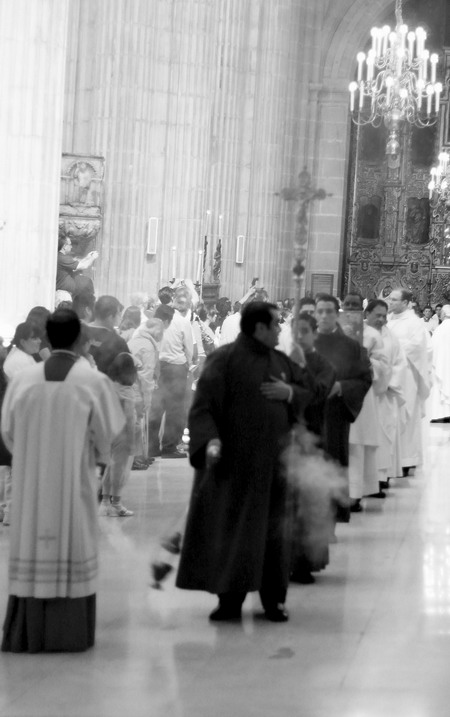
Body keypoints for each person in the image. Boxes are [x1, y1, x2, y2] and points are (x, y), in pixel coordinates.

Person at [176, 302, 313, 622]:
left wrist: (289, 392)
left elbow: (309, 391)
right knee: (233, 531)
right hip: (233, 465)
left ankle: (273, 601)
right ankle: (229, 600)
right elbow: (203, 406)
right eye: (276, 324)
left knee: (274, 533)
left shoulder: (281, 361)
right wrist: (210, 440)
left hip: (274, 464)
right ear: (260, 328)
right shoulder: (223, 360)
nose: (280, 329)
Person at [1, 309, 124, 652]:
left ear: (48, 337)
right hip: (73, 481)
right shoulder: (92, 381)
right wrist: (95, 454)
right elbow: (109, 433)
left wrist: (31, 456)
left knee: (31, 548)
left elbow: (8, 432)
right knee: (73, 546)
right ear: (80, 340)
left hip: (31, 485)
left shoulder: (24, 380)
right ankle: (68, 634)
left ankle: (28, 632)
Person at [313, 295, 372, 521]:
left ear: (337, 314)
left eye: (329, 311)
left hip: (335, 415)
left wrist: (342, 387)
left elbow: (364, 378)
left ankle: (331, 518)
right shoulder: (305, 344)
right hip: (308, 414)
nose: (325, 316)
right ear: (315, 314)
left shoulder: (351, 346)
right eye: (320, 311)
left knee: (333, 462)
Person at [343, 293, 389, 510]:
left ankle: (355, 494)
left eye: (355, 304)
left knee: (357, 443)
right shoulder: (334, 329)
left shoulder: (371, 335)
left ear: (361, 309)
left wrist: (367, 362)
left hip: (362, 392)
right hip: (338, 392)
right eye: (348, 304)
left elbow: (383, 364)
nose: (351, 308)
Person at [387, 289, 431, 474]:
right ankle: (392, 459)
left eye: (394, 299)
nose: (390, 302)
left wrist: (391, 347)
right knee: (391, 417)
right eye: (390, 299)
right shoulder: (388, 319)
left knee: (407, 415)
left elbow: (418, 346)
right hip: (389, 375)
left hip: (407, 375)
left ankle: (407, 459)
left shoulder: (414, 322)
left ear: (405, 303)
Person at [147, 288, 193, 459]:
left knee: (156, 406)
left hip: (158, 364)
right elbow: (189, 347)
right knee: (175, 409)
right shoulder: (182, 321)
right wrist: (188, 364)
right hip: (176, 366)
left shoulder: (154, 319)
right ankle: (169, 447)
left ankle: (152, 447)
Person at [365, 299, 407, 485]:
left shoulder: (391, 337)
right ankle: (366, 479)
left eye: (384, 316)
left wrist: (388, 382)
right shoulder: (359, 334)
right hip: (363, 394)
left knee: (384, 436)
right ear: (367, 314)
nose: (381, 320)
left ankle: (381, 478)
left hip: (384, 394)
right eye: (378, 315)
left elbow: (400, 363)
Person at [99, 353, 138, 517]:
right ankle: (117, 503)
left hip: (108, 430)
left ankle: (105, 503)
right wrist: (132, 441)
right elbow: (129, 417)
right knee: (119, 470)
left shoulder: (109, 386)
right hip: (122, 434)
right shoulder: (127, 391)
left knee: (109, 467)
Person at [87, 295, 129, 375]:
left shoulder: (78, 332)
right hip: (105, 382)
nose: (120, 318)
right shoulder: (118, 343)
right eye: (119, 314)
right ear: (110, 317)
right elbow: (127, 373)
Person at [429, 305, 450, 421]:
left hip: (441, 364)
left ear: (443, 314)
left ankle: (441, 414)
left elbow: (432, 348)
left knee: (439, 386)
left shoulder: (439, 329)